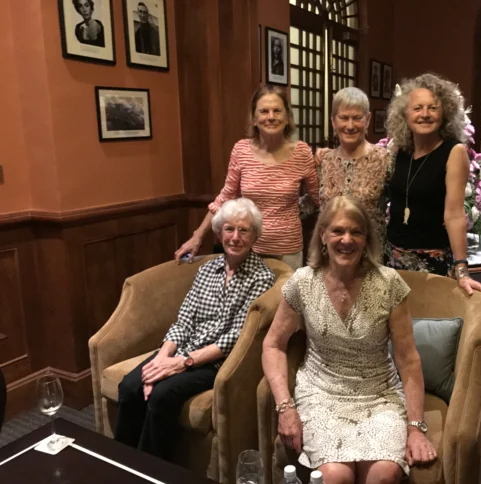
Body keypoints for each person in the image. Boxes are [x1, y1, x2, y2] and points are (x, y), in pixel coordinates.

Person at [263, 196, 436, 484]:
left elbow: (408, 359)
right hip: (321, 393)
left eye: (356, 232)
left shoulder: (389, 283)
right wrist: (285, 406)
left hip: (378, 394)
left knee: (383, 474)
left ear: (367, 239)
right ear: (322, 235)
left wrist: (416, 427)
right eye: (338, 231)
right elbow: (272, 345)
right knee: (334, 477)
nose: (347, 240)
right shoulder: (302, 282)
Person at [115, 198, 275, 460]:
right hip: (183, 351)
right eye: (229, 229)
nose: (235, 237)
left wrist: (183, 363)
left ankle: (151, 471)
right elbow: (184, 319)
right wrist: (163, 358)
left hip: (215, 363)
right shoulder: (207, 270)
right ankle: (119, 461)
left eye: (244, 230)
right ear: (219, 232)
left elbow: (235, 338)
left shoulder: (261, 276)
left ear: (255, 235)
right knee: (130, 386)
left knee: (161, 395)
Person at [174, 85, 319, 270]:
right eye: (264, 111)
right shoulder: (241, 150)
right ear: (255, 119)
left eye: (277, 110)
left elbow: (319, 198)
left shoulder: (302, 152)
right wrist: (197, 236)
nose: (271, 117)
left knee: (284, 299)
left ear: (287, 117)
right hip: (246, 247)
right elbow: (225, 198)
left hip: (288, 250)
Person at [385, 73, 481, 297]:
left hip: (431, 259)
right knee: (397, 327)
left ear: (445, 113)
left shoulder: (454, 151)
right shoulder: (401, 151)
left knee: (430, 325)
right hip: (393, 257)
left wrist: (462, 270)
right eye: (417, 108)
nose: (425, 114)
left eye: (432, 108)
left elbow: (454, 214)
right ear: (405, 113)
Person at [315, 87, 392, 254]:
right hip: (331, 255)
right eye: (343, 118)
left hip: (371, 255)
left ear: (368, 119)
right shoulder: (324, 161)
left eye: (357, 118)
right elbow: (311, 202)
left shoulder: (385, 159)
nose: (350, 126)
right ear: (333, 121)